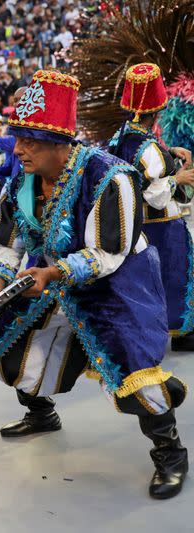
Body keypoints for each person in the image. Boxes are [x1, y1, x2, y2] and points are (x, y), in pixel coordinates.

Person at [0, 70, 188, 500]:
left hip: (118, 284)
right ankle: (41, 413)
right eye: (18, 137)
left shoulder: (111, 176)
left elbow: (109, 254)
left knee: (133, 369)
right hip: (53, 282)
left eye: (29, 140)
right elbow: (10, 240)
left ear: (60, 144)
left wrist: (51, 274)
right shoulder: (22, 179)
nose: (18, 149)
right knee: (14, 344)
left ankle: (170, 451)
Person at [108, 63, 194, 351]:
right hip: (161, 227)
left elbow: (136, 167)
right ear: (157, 111)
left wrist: (168, 152)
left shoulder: (122, 137)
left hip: (138, 225)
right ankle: (181, 331)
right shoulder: (147, 148)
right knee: (172, 277)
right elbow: (155, 194)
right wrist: (179, 177)